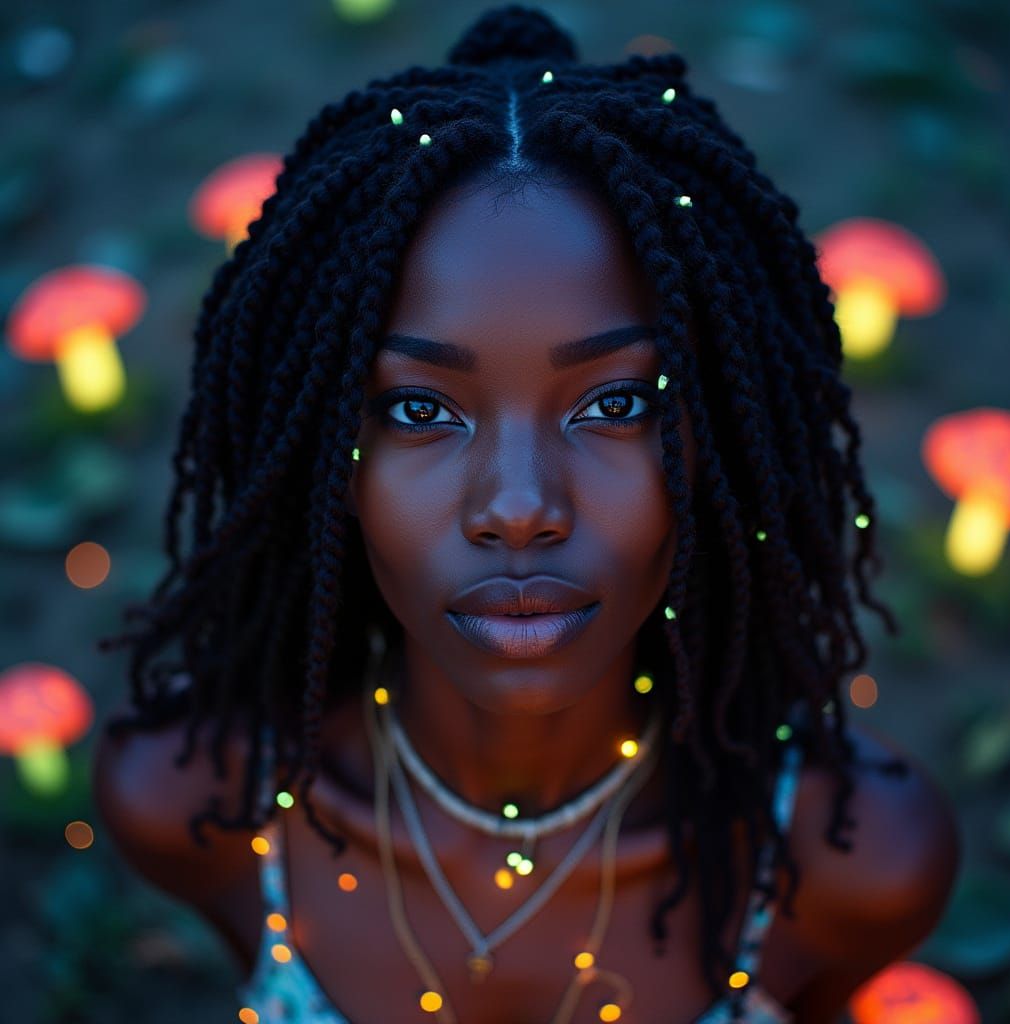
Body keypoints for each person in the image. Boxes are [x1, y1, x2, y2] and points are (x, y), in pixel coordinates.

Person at [90, 6, 961, 1023]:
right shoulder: (200, 807)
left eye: (618, 403)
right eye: (419, 409)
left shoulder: (851, 866)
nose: (517, 508)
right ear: (322, 461)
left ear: (723, 434)